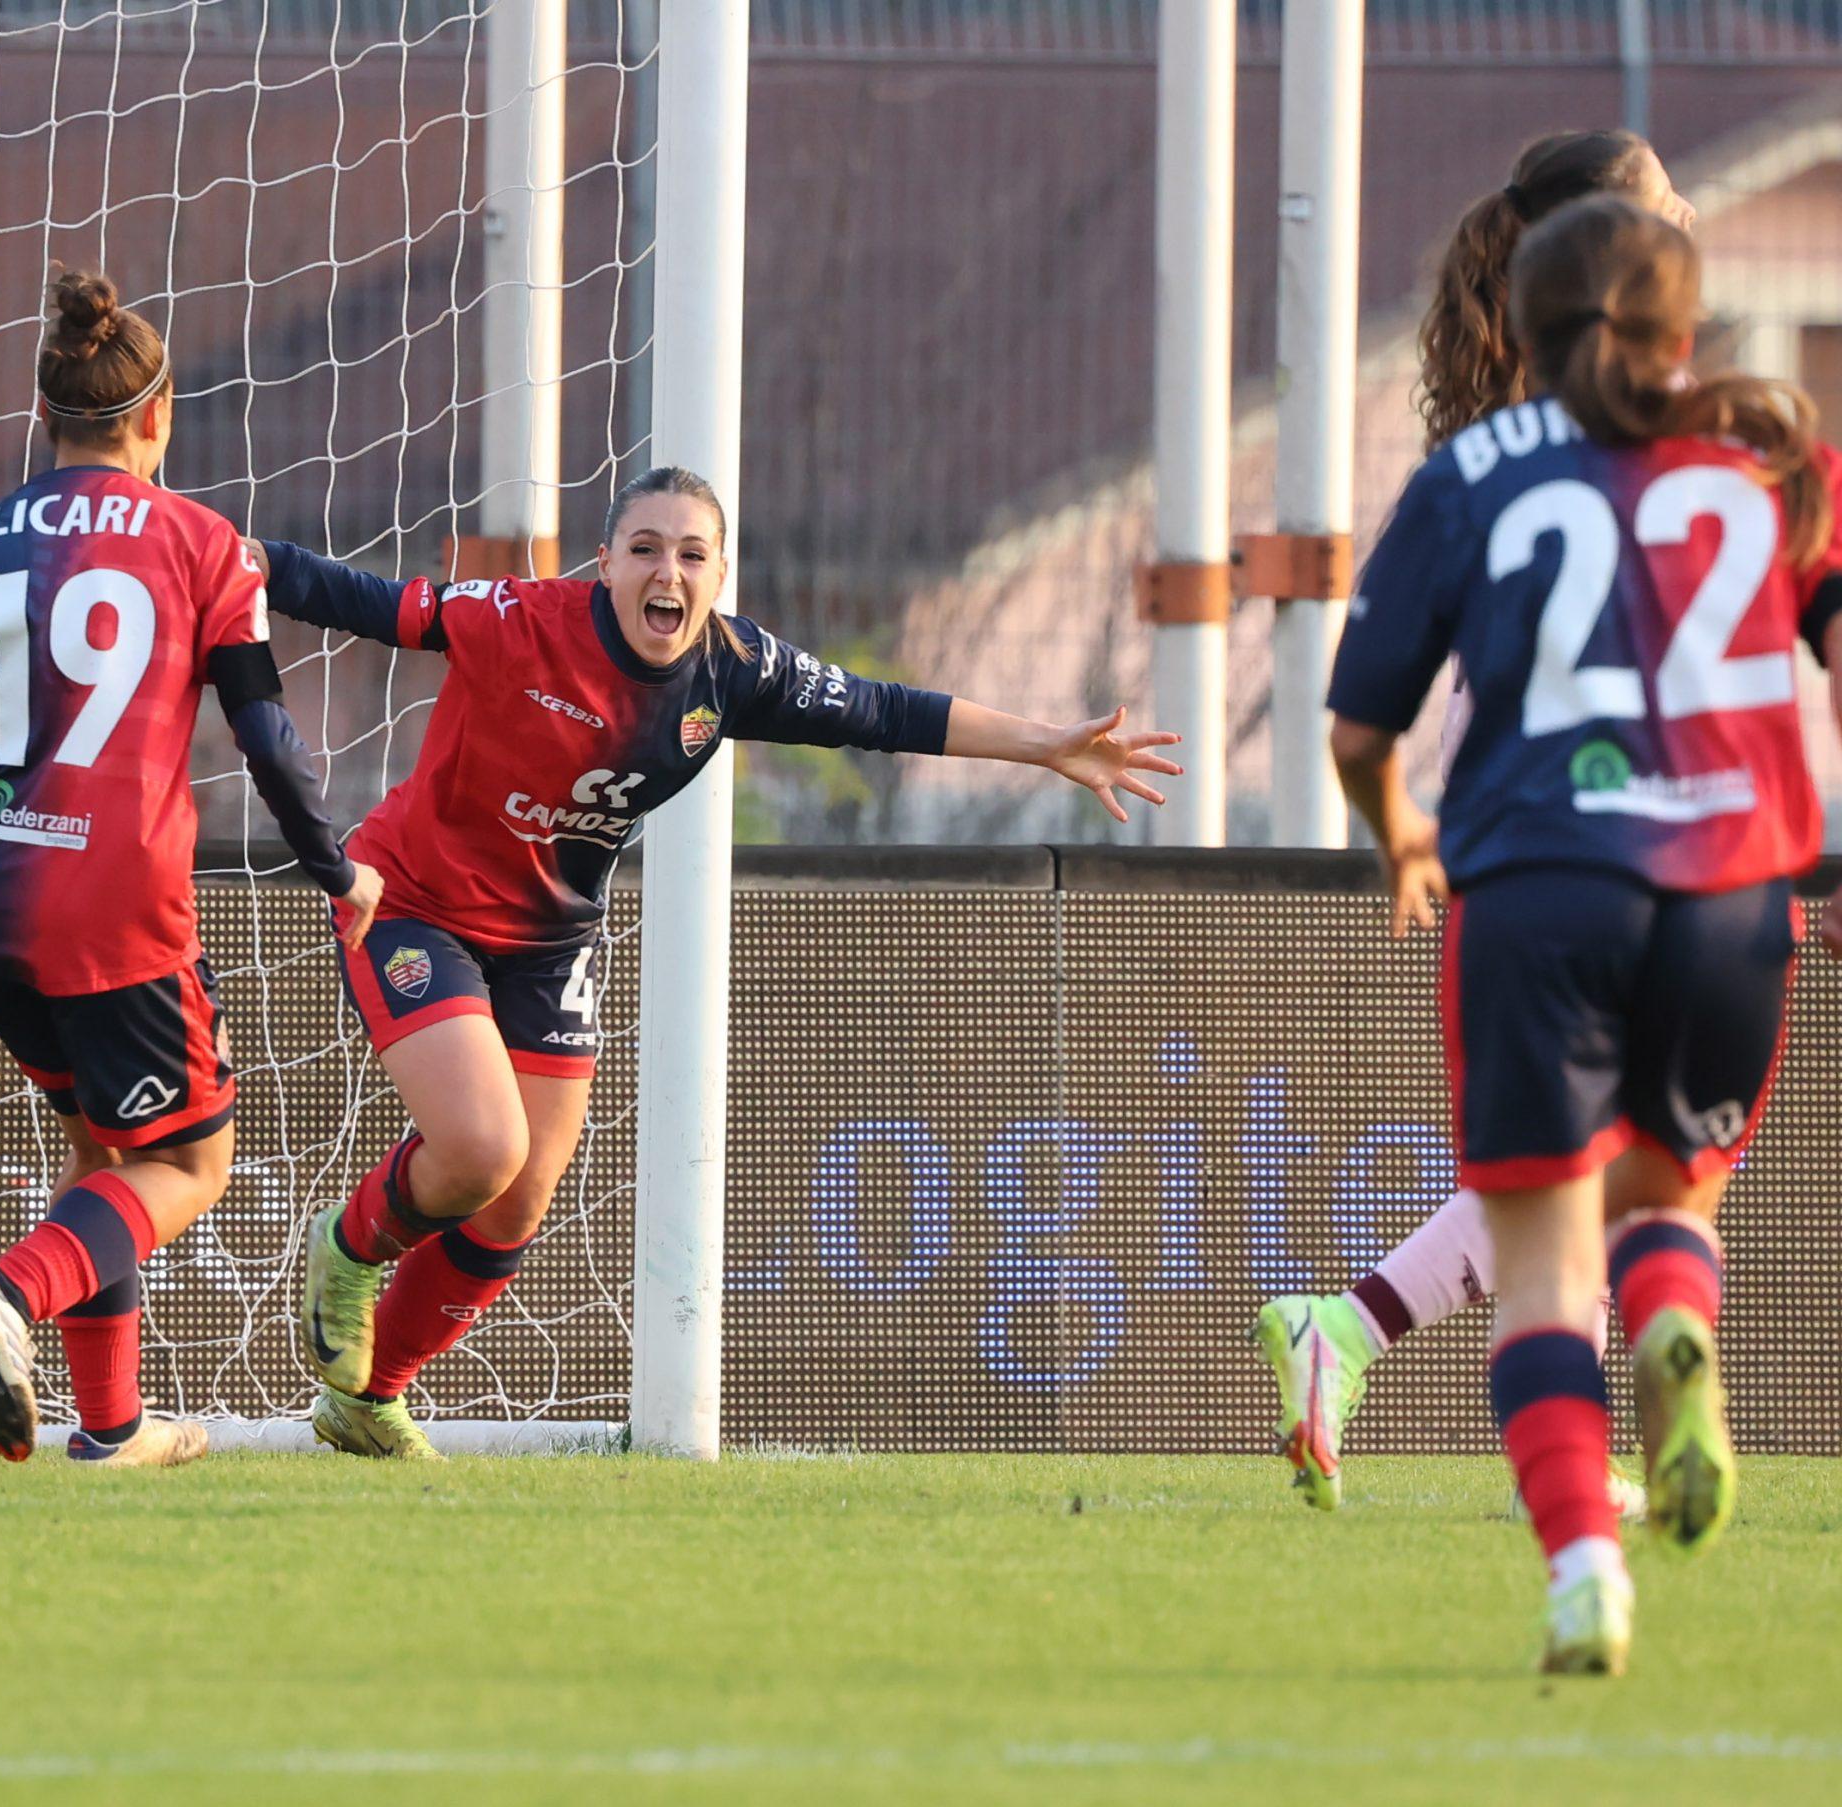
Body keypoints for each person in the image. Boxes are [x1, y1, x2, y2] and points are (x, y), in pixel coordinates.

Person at [246, 465, 1181, 1459]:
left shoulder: (731, 669)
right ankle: (349, 1250)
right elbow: (362, 601)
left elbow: (884, 710)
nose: (668, 572)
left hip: (549, 938)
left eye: (692, 554)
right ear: (604, 564)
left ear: (719, 573)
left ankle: (367, 1399)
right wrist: (246, 559)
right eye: (645, 548)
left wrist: (1046, 745)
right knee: (481, 1150)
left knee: (519, 1195)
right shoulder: (520, 619)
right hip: (416, 902)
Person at [1325, 194, 1840, 1671]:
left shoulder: (1470, 472)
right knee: (1668, 1210)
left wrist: (1398, 831)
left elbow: (1365, 725)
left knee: (1547, 1272)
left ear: (1515, 332)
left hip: (1539, 893)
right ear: (1688, 327)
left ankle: (1584, 1576)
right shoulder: (1780, 456)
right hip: (1738, 899)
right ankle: (1681, 1323)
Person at [0, 268, 379, 1468]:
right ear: (159, 416)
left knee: (101, 1149)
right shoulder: (204, 544)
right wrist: (334, 867)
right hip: (115, 904)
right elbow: (268, 738)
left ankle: (110, 1428)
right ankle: (14, 1292)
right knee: (190, 1157)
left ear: (44, 420)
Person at [1255, 129, 1713, 1511]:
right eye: (1665, 207)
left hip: (1537, 787)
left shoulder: (1532, 424)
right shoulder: (1653, 418)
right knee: (1594, 1160)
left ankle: (1352, 1331)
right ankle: (1556, 1454)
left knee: (1576, 1154)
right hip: (1583, 788)